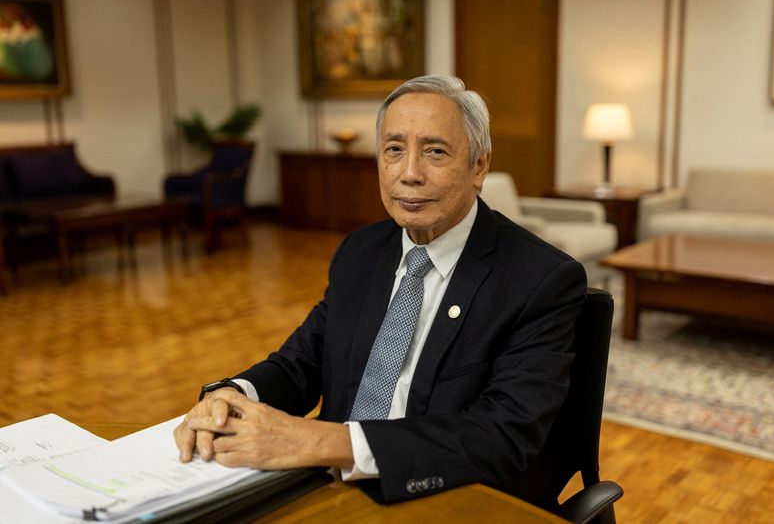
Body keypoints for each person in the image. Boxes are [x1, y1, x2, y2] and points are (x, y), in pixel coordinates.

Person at [174, 75, 586, 505]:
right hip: (329, 491)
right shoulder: (361, 251)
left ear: (479, 166)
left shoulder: (539, 279)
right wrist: (234, 395)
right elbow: (302, 363)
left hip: (446, 499)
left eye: (435, 152)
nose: (409, 174)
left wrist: (322, 442)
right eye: (393, 150)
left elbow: (501, 435)